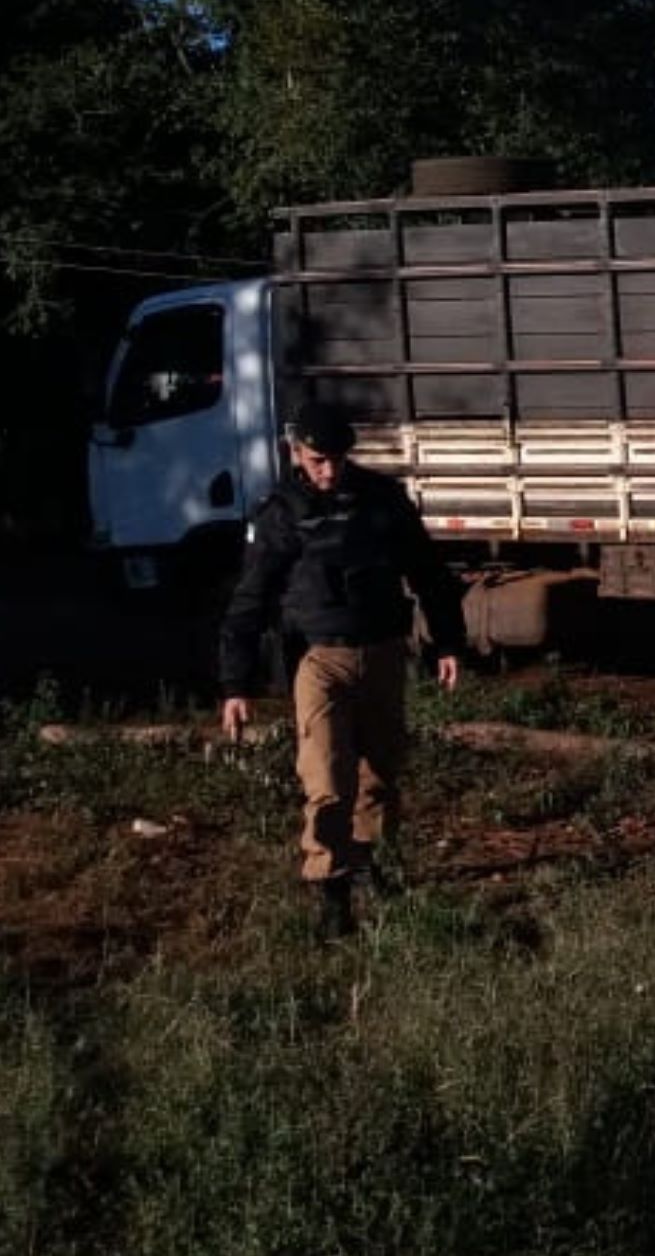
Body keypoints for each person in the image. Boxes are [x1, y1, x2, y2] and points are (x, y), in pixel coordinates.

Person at [218, 402, 466, 939]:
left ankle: (371, 864)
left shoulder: (382, 501)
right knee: (327, 778)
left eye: (337, 459)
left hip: (381, 652)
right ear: (296, 453)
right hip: (318, 659)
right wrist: (236, 684)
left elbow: (428, 572)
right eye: (317, 460)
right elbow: (250, 599)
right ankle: (331, 892)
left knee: (379, 773)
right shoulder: (281, 512)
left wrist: (447, 642)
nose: (328, 471)